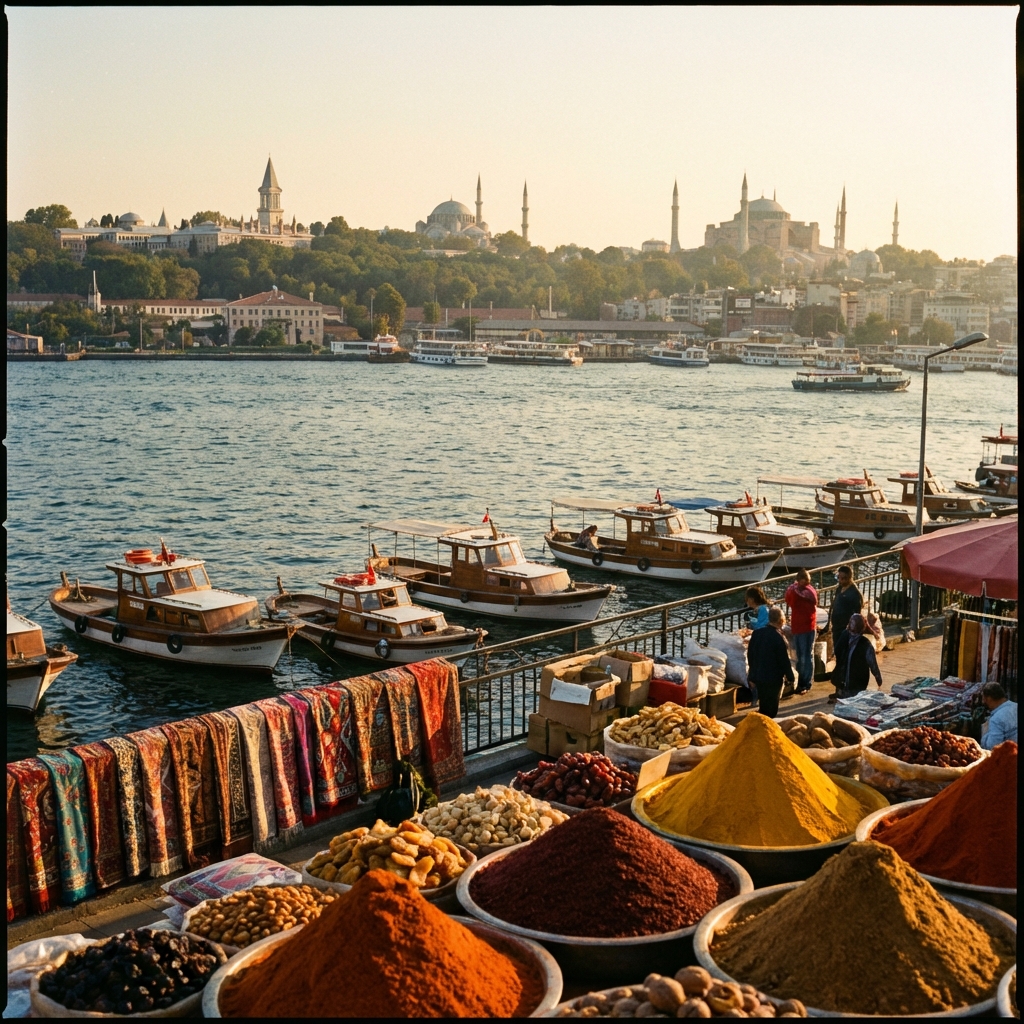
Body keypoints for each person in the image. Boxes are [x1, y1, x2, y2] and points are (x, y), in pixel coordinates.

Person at [746, 607, 795, 719]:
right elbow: (783, 660)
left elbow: (751, 655)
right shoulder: (779, 638)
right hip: (773, 678)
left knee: (763, 704)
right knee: (771, 709)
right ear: (781, 621)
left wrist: (751, 675)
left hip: (759, 676)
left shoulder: (757, 634)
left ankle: (762, 725)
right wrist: (790, 677)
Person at [831, 613, 882, 699]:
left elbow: (872, 663)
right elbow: (837, 649)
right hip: (847, 679)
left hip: (852, 681)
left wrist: (878, 676)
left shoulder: (864, 644)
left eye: (853, 623)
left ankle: (844, 693)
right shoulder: (847, 636)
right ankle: (840, 692)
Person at [785, 569, 818, 695]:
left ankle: (806, 683)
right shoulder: (798, 591)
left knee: (806, 656)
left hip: (807, 627)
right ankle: (801, 681)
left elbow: (789, 599)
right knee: (801, 656)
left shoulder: (803, 591)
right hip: (798, 627)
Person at [829, 565, 864, 638]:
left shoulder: (854, 593)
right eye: (839, 578)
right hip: (836, 627)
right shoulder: (839, 588)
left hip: (846, 629)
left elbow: (856, 613)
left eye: (843, 578)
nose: (840, 580)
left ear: (849, 578)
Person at [980, 683, 1017, 748]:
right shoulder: (1016, 706)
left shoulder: (996, 719)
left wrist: (985, 732)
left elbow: (991, 747)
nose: (983, 702)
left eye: (984, 698)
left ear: (989, 698)